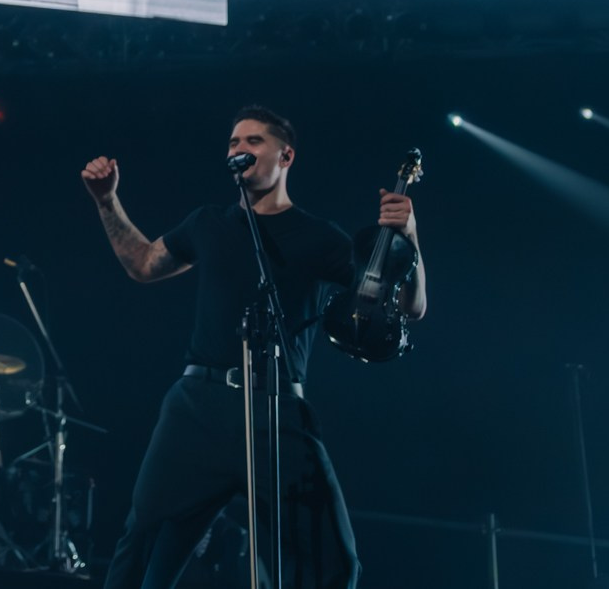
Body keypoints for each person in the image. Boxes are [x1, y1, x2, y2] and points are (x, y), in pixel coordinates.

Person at [82, 108, 425, 589]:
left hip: (277, 410)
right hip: (197, 410)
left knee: (335, 564)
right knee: (143, 547)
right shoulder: (207, 223)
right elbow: (143, 264)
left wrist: (408, 237)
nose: (238, 149)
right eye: (232, 141)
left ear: (285, 155)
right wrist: (107, 201)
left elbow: (408, 307)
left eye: (253, 141)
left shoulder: (320, 237)